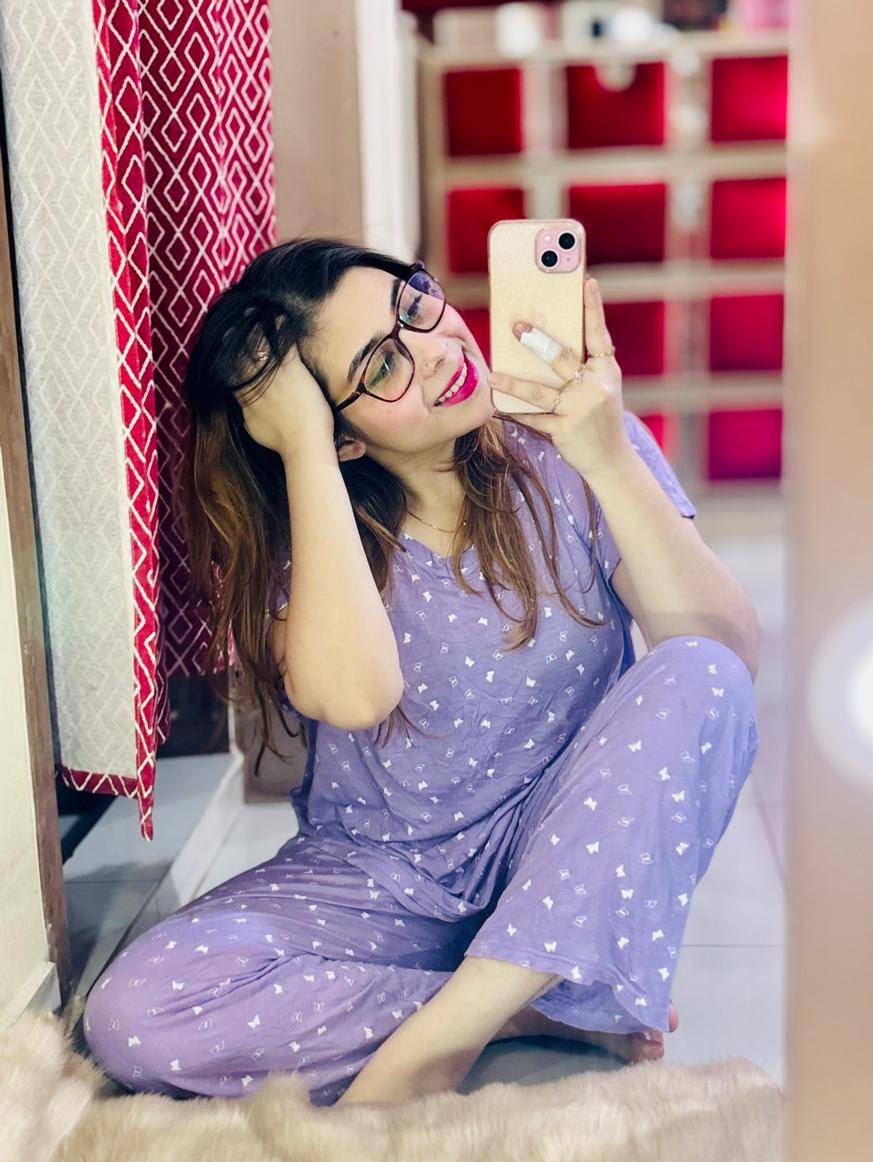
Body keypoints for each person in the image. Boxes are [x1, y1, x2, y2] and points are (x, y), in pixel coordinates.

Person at [82, 237, 759, 1107]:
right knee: (134, 1016)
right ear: (342, 435)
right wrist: (308, 451)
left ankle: (442, 1037)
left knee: (698, 671)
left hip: (558, 852)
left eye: (415, 305)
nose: (438, 350)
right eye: (383, 367)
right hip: (379, 877)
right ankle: (523, 1006)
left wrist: (609, 459)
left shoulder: (578, 452)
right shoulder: (317, 537)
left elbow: (726, 657)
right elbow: (356, 696)